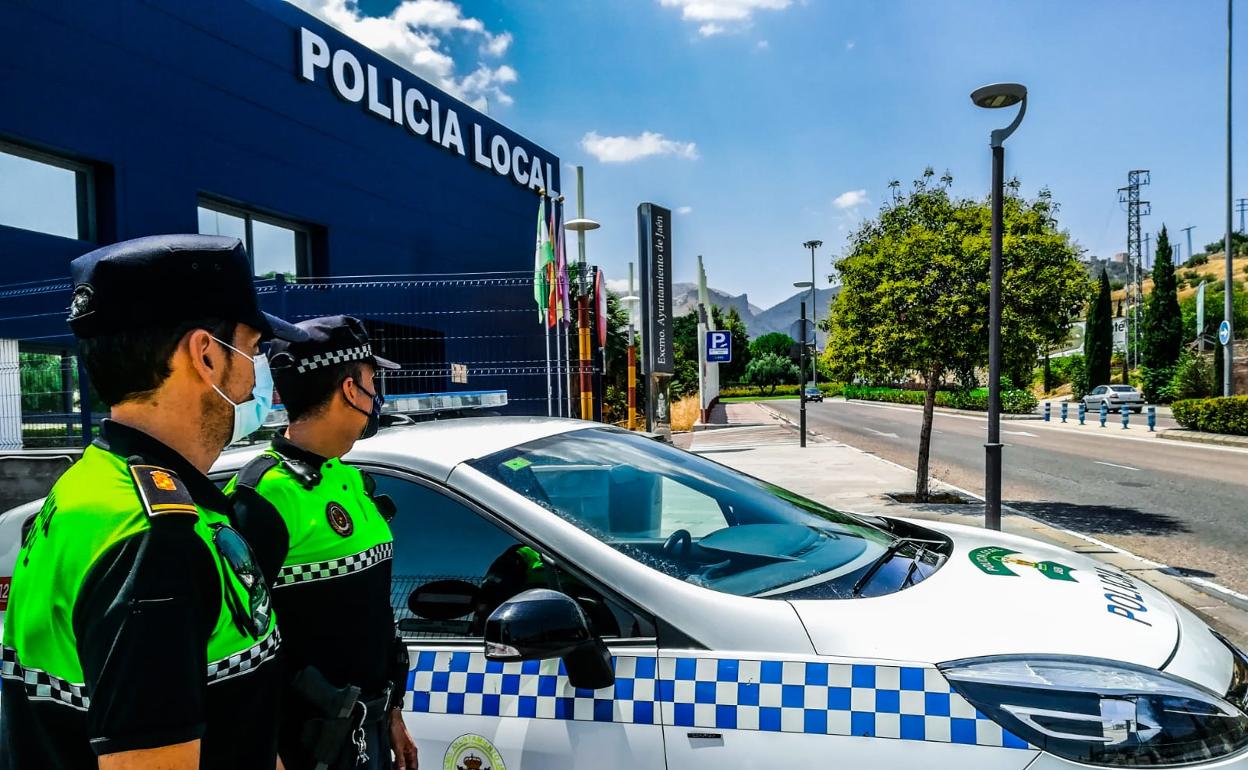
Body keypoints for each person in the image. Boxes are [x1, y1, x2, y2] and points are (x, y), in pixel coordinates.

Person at [0, 234, 308, 770]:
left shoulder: (91, 485)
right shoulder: (156, 542)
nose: (256, 374)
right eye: (254, 348)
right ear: (205, 354)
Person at [228, 316, 418, 770]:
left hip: (367, 731)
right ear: (350, 389)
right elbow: (236, 649)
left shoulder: (346, 478)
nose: (376, 398)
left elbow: (372, 616)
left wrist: (391, 712)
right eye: (373, 382)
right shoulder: (263, 496)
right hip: (307, 746)